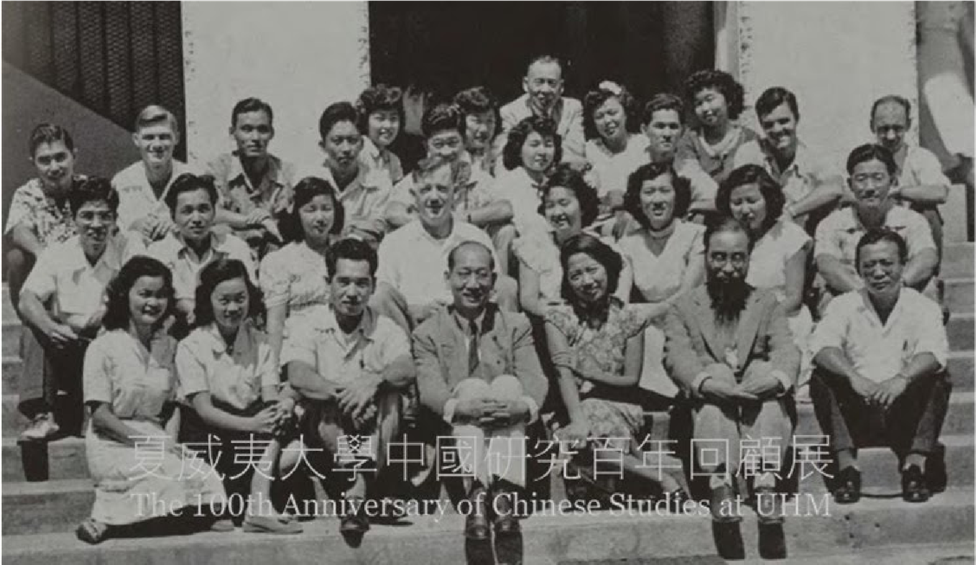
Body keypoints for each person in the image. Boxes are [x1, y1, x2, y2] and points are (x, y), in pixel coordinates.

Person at [663, 217, 799, 561]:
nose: (728, 268)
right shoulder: (683, 306)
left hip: (757, 401)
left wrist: (775, 379)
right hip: (709, 409)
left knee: (765, 368)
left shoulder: (765, 302)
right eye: (718, 257)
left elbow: (786, 347)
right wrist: (712, 385)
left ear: (749, 258)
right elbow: (677, 357)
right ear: (705, 257)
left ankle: (765, 483)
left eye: (737, 258)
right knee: (716, 372)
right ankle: (720, 484)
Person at [75, 256, 226, 545]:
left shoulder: (169, 346)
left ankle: (131, 519)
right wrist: (150, 446)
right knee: (163, 479)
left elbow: (171, 406)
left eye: (160, 295)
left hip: (156, 436)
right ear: (125, 296)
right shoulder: (102, 346)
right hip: (113, 441)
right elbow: (101, 416)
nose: (153, 303)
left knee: (203, 476)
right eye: (144, 294)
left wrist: (168, 443)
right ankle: (106, 520)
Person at [414, 241, 547, 540]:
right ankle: (480, 491)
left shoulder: (515, 325)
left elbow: (534, 377)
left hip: (507, 418)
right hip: (456, 428)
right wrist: (463, 408)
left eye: (481, 275)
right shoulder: (427, 332)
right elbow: (430, 387)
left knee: (508, 384)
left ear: (494, 281)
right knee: (472, 387)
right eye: (463, 274)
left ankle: (497, 493)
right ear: (447, 278)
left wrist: (522, 407)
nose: (473, 284)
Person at [284, 238, 416, 537]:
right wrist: (348, 393)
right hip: (324, 436)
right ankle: (364, 492)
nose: (352, 293)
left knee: (391, 392)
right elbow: (299, 374)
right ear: (327, 282)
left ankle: (356, 496)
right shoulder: (308, 323)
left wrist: (372, 382)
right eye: (343, 282)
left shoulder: (385, 326)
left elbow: (406, 367)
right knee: (323, 399)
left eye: (361, 283)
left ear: (373, 285)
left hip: (374, 430)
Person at [545, 234, 689, 505]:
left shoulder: (630, 317)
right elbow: (563, 373)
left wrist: (590, 373)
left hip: (621, 404)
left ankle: (627, 479)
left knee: (594, 418)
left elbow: (631, 379)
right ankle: (661, 479)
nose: (586, 281)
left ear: (608, 269)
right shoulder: (558, 319)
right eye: (575, 275)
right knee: (586, 419)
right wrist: (578, 420)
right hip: (573, 407)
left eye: (592, 270)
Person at [810, 228, 950, 504]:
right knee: (822, 376)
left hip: (904, 409)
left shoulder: (923, 307)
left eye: (886, 263)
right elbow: (822, 347)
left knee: (939, 377)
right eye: (869, 265)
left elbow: (934, 352)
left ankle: (914, 466)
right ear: (859, 270)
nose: (878, 272)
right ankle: (847, 466)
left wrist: (902, 379)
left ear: (903, 265)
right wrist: (853, 377)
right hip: (858, 409)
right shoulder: (843, 305)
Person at [176, 259, 302, 533]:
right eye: (224, 300)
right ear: (208, 301)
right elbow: (204, 410)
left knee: (293, 447)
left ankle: (256, 503)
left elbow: (269, 396)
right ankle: (245, 501)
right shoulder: (191, 346)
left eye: (240, 299)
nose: (232, 308)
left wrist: (281, 409)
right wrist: (252, 425)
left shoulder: (261, 342)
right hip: (209, 431)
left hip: (251, 428)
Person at [17, 178, 146, 440]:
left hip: (113, 353)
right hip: (71, 350)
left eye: (104, 217)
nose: (96, 225)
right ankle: (42, 415)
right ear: (74, 219)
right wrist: (51, 328)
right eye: (87, 216)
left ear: (114, 219)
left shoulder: (129, 247)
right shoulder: (58, 252)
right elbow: (27, 299)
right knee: (33, 326)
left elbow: (141, 290)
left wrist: (109, 311)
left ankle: (101, 416)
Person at [372, 156, 518, 332]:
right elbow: (385, 301)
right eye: (426, 189)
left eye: (441, 189)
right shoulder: (394, 242)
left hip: (470, 328)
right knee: (379, 295)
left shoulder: (475, 237)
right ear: (413, 195)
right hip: (415, 331)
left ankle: (504, 353)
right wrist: (421, 310)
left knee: (506, 285)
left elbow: (494, 291)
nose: (434, 197)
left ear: (454, 193)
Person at [716, 165, 813, 388]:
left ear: (768, 199)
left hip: (784, 318)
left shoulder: (789, 235)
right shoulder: (727, 237)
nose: (745, 209)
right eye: (737, 203)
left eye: (752, 200)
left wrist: (756, 323)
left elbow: (794, 297)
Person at [617, 163, 705, 397]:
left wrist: (643, 312)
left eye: (664, 191)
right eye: (649, 192)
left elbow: (687, 295)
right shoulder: (629, 243)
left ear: (677, 196)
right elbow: (620, 297)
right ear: (638, 199)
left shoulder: (695, 235)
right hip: (649, 325)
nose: (657, 199)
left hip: (690, 322)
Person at [815, 144, 939, 311]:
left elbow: (927, 257)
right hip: (852, 296)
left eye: (878, 178)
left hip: (900, 294)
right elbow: (826, 264)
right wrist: (865, 293)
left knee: (929, 289)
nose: (870, 187)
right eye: (861, 179)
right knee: (828, 298)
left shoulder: (912, 220)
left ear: (893, 181)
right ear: (850, 184)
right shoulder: (831, 224)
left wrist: (895, 289)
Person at [384, 104, 511, 260]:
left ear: (464, 141)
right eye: (438, 145)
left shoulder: (477, 177)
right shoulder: (418, 177)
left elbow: (504, 208)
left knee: (506, 231)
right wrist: (436, 225)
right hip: (426, 251)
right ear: (426, 146)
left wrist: (463, 219)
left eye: (452, 143)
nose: (446, 152)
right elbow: (392, 211)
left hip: (470, 255)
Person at [515, 164, 632, 318]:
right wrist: (562, 318)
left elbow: (619, 298)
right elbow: (529, 302)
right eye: (550, 206)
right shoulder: (534, 247)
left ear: (582, 206)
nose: (557, 212)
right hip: (551, 325)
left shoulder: (602, 246)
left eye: (564, 204)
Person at [733, 87, 845, 233]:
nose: (777, 130)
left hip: (799, 235)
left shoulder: (812, 154)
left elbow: (835, 187)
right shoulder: (750, 152)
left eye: (783, 121)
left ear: (796, 118)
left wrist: (791, 211)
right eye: (769, 125)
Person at [259, 177, 344, 370]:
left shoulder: (345, 252)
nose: (320, 218)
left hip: (340, 339)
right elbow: (276, 322)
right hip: (299, 346)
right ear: (297, 213)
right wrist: (272, 370)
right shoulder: (279, 261)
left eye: (326, 208)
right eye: (310, 210)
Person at [148, 173, 255, 325]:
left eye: (203, 209)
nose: (197, 219)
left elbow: (250, 297)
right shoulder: (157, 253)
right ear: (173, 216)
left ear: (213, 212)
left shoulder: (235, 248)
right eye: (187, 211)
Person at [5, 124, 84, 314]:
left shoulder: (88, 189)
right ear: (33, 163)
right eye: (45, 161)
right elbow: (17, 229)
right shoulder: (27, 193)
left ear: (74, 155)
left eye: (60, 157)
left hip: (83, 275)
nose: (54, 167)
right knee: (16, 258)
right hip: (44, 277)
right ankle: (29, 318)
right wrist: (45, 256)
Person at [206, 97, 294, 258]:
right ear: (233, 133)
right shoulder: (219, 168)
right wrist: (256, 220)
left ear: (271, 133)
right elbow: (210, 212)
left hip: (273, 256)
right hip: (229, 259)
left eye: (262, 129)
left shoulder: (286, 172)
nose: (255, 138)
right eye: (247, 129)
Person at [299, 102, 394, 244]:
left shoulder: (379, 184)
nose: (346, 148)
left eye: (352, 140)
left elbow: (377, 233)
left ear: (362, 144)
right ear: (323, 146)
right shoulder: (306, 180)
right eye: (337, 141)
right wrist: (355, 229)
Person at [869, 95, 950, 256]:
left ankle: (929, 273)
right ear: (872, 126)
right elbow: (844, 192)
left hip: (911, 231)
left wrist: (898, 192)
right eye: (884, 129)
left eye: (897, 128)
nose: (891, 136)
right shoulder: (864, 158)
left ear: (909, 125)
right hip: (874, 227)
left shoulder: (920, 157)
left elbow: (940, 192)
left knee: (929, 212)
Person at [112, 105, 196, 244]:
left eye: (164, 137)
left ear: (177, 138)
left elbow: (215, 222)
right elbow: (111, 231)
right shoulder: (121, 182)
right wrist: (133, 226)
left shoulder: (194, 178)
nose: (157, 144)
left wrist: (180, 222)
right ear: (136, 140)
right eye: (149, 137)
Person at [498, 55, 584, 166]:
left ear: (561, 86)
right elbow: (509, 156)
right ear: (525, 84)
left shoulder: (572, 108)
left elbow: (577, 152)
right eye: (539, 82)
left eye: (551, 83)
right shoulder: (510, 112)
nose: (545, 90)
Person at [676, 70, 759, 185]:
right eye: (698, 103)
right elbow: (691, 180)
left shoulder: (749, 138)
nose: (705, 108)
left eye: (710, 99)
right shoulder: (689, 140)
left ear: (728, 99)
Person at [641, 94, 718, 216]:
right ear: (645, 130)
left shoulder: (686, 167)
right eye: (660, 126)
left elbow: (720, 201)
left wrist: (692, 206)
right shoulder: (631, 160)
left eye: (673, 127)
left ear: (682, 131)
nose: (667, 133)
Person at [582, 81, 646, 218]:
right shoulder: (589, 150)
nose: (607, 121)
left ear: (626, 113)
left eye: (612, 113)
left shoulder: (643, 145)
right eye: (599, 116)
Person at [492, 116, 561, 239]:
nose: (542, 152)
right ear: (519, 149)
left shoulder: (555, 183)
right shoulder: (507, 183)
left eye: (548, 145)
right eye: (534, 145)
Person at [356, 84, 406, 184]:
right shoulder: (358, 155)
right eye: (380, 118)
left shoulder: (393, 161)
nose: (388, 125)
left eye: (393, 119)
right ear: (365, 121)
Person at [454, 86, 501, 175]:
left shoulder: (497, 155)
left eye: (490, 121)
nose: (484, 129)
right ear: (461, 122)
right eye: (477, 121)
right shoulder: (450, 158)